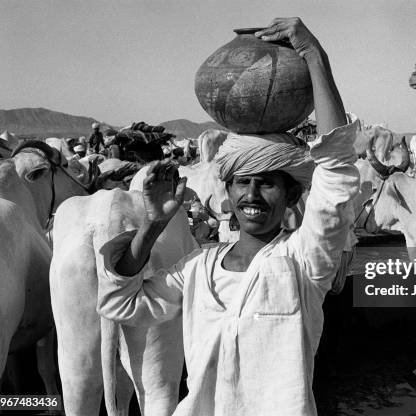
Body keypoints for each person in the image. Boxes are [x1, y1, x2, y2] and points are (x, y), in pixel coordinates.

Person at [96, 17, 359, 416]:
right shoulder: (197, 270)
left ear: (291, 194)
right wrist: (152, 225)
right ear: (228, 190)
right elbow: (120, 304)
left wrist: (313, 54)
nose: (251, 194)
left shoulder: (305, 263)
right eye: (242, 182)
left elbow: (336, 165)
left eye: (266, 183)